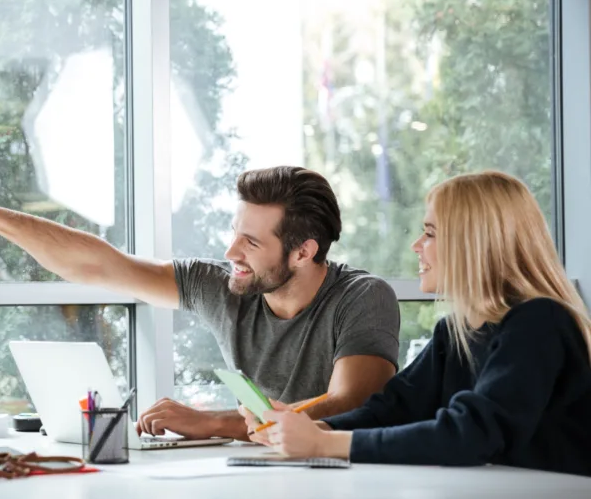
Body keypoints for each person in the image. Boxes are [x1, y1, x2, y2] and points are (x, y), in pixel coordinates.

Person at [0, 166, 400, 441]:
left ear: (304, 251)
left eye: (251, 243)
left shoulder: (362, 297)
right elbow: (99, 265)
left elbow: (352, 404)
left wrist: (211, 422)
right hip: (265, 477)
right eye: (234, 232)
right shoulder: (223, 285)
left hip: (344, 486)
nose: (231, 252)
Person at [247, 171, 591, 476]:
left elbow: (470, 434)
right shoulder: (455, 333)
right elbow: (393, 409)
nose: (416, 246)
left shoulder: (539, 323)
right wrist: (309, 429)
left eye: (430, 233)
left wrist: (323, 444)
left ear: (472, 243)